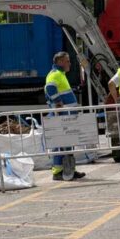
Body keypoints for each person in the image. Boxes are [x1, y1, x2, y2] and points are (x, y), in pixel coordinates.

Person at [44, 51, 86, 181]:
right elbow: (50, 88)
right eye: (67, 61)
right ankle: (58, 171)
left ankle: (69, 170)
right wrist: (58, 102)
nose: (70, 63)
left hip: (66, 116)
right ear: (60, 62)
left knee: (67, 142)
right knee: (61, 143)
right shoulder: (55, 74)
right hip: (62, 116)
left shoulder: (60, 74)